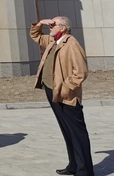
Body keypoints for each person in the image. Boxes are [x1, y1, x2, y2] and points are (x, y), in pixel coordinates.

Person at [31, 17, 94, 176]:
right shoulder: (53, 41)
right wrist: (39, 24)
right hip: (52, 91)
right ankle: (73, 165)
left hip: (66, 95)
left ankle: (84, 171)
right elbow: (36, 36)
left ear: (63, 28)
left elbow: (81, 72)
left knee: (77, 132)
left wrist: (66, 88)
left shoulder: (71, 44)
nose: (50, 26)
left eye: (53, 24)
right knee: (66, 130)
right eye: (50, 24)